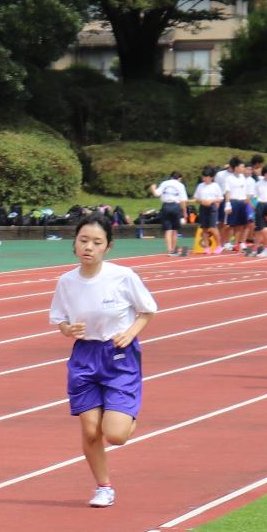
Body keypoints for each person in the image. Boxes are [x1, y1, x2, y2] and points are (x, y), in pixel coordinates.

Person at [52, 215, 158, 508]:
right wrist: (67, 329)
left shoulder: (122, 277)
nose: (89, 247)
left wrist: (130, 333)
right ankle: (104, 487)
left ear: (107, 247)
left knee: (116, 435)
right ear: (74, 243)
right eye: (83, 240)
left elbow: (147, 310)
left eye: (96, 242)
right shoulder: (66, 282)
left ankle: (127, 412)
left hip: (119, 355)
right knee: (89, 430)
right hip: (85, 357)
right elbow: (60, 319)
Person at [152, 169, 188, 256]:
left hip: (165, 206)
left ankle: (169, 250)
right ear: (179, 178)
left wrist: (153, 188)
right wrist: (184, 212)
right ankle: (174, 249)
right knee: (175, 230)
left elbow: (156, 194)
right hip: (175, 206)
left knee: (168, 230)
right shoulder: (180, 185)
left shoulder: (164, 183)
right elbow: (183, 200)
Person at [191, 167, 223, 254]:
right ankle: (207, 246)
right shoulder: (200, 186)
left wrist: (212, 200)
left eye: (206, 177)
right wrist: (201, 201)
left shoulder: (215, 186)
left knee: (213, 227)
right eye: (203, 177)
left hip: (212, 207)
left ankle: (219, 245)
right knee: (204, 228)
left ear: (211, 177)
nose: (204, 178)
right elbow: (196, 198)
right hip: (203, 207)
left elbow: (220, 198)